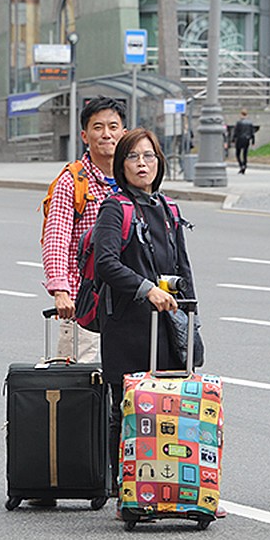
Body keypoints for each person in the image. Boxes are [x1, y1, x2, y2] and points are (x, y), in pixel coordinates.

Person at [91, 128, 200, 493]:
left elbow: (184, 270)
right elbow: (105, 262)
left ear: (159, 162)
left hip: (167, 322)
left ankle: (165, 481)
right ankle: (123, 483)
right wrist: (146, 288)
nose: (142, 164)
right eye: (134, 157)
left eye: (149, 156)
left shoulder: (168, 208)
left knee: (169, 407)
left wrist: (192, 322)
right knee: (127, 406)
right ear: (122, 165)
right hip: (127, 323)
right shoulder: (114, 207)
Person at [42, 95, 127, 363]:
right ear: (84, 135)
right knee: (78, 387)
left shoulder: (134, 178)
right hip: (84, 302)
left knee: (131, 387)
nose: (106, 134)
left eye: (113, 127)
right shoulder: (72, 180)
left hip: (129, 302)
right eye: (98, 127)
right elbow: (56, 238)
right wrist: (60, 290)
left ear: (124, 133)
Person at [232, 109, 255, 174]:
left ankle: (241, 165)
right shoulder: (250, 123)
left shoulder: (239, 123)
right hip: (247, 139)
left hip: (240, 139)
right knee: (245, 154)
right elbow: (252, 132)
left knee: (238, 154)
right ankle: (244, 165)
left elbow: (236, 131)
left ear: (241, 114)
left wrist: (233, 139)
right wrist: (253, 141)